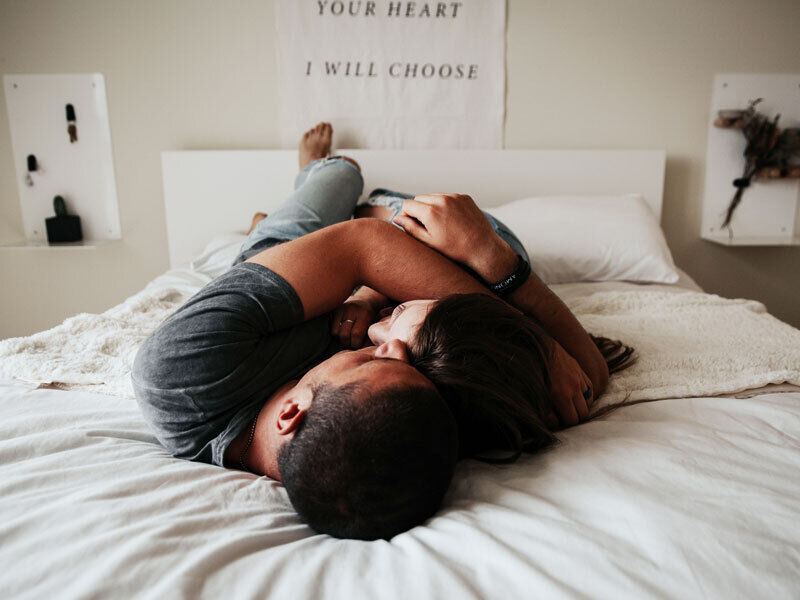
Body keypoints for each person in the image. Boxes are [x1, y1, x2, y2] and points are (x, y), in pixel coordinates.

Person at [132, 123, 622, 540]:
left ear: (290, 413)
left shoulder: (179, 373)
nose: (388, 347)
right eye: (398, 359)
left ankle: (306, 189)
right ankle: (372, 207)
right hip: (369, 261)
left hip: (281, 261)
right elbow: (585, 378)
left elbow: (363, 245)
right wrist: (519, 307)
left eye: (372, 361)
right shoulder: (415, 424)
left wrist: (369, 282)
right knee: (483, 241)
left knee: (343, 174)